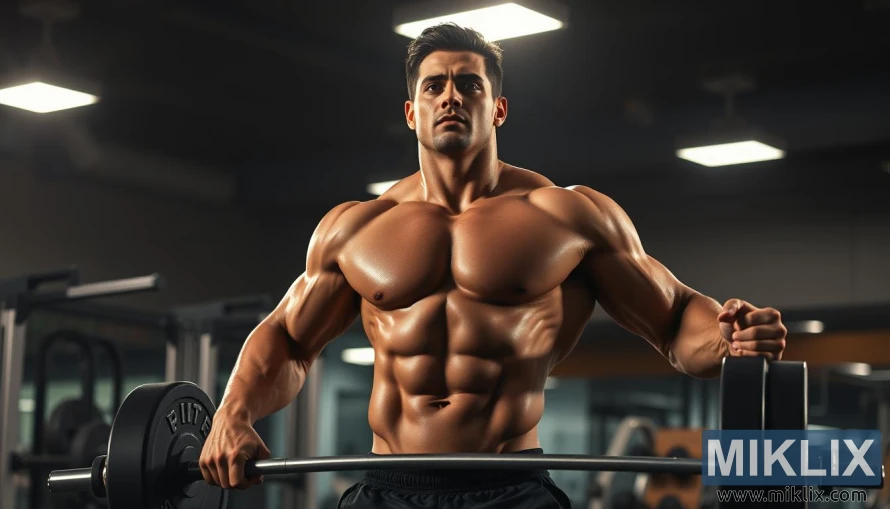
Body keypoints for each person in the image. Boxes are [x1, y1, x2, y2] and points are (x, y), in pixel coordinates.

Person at [198, 23, 788, 508]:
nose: (450, 96)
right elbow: (287, 340)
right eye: (434, 87)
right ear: (411, 112)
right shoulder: (356, 227)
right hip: (388, 488)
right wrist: (232, 412)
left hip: (510, 488)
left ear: (498, 107)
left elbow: (675, 319)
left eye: (468, 85)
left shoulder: (567, 216)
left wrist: (728, 340)